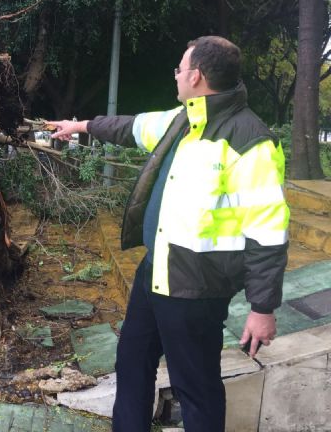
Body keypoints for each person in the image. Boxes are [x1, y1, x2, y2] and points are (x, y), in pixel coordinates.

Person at [47, 36, 289, 432]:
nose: (175, 74)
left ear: (196, 76)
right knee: (131, 361)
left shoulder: (250, 140)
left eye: (179, 68)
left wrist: (262, 308)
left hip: (197, 285)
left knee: (196, 386)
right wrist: (82, 126)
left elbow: (269, 230)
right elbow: (134, 127)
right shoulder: (184, 120)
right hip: (155, 270)